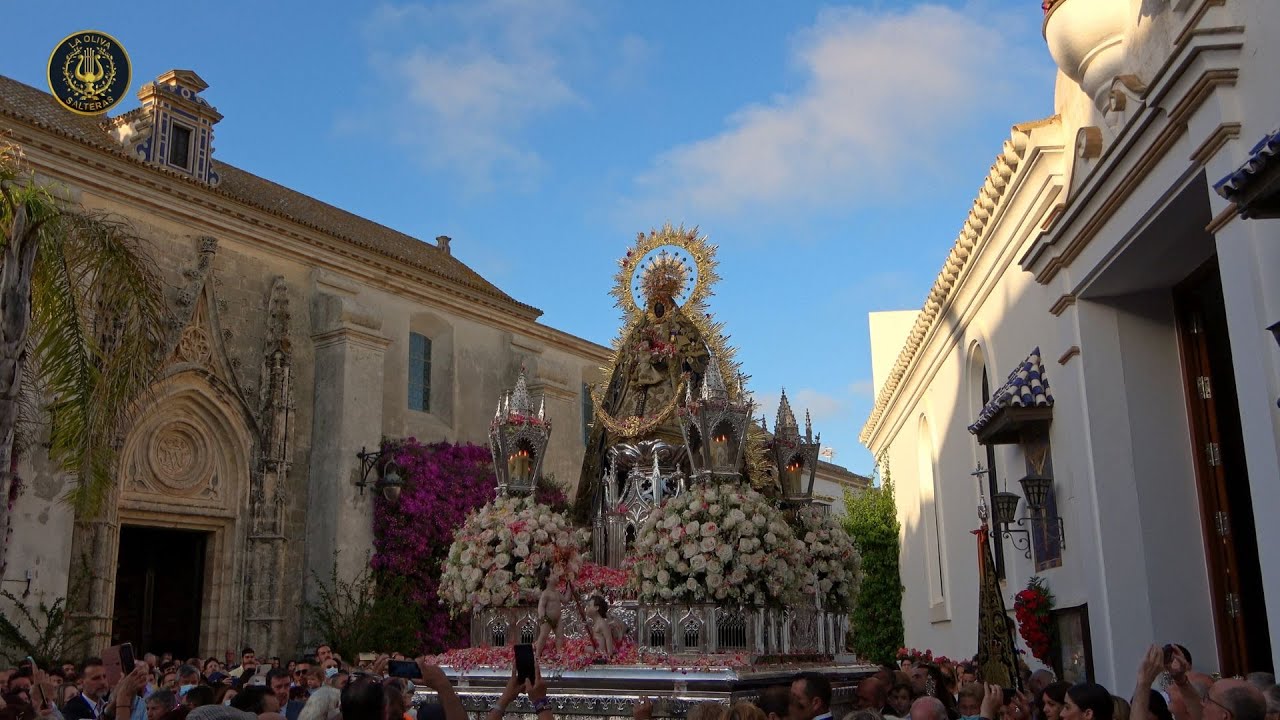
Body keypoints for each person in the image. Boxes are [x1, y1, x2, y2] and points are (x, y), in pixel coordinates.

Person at [533, 567, 566, 658]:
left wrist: (570, 589)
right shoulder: (546, 593)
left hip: (557, 619)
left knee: (559, 636)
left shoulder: (557, 593)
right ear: (547, 578)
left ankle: (559, 653)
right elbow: (541, 605)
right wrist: (541, 615)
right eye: (553, 573)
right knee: (543, 636)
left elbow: (566, 600)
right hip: (547, 619)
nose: (556, 575)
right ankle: (537, 654)